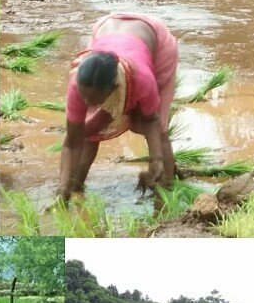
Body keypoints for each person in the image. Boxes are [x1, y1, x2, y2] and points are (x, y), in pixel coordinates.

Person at [59, 13, 178, 202]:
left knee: (160, 130)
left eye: (95, 99)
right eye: (85, 97)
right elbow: (72, 141)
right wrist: (62, 189)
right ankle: (75, 186)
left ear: (115, 88)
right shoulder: (79, 83)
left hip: (154, 38)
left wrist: (156, 160)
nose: (87, 103)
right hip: (107, 27)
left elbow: (151, 122)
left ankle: (167, 191)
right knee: (90, 129)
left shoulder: (143, 80)